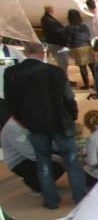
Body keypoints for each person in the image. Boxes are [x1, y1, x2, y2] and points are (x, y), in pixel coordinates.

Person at [2, 41, 87, 209]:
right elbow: (68, 97)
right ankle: (80, 198)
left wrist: (23, 121)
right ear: (43, 53)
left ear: (25, 53)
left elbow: (10, 101)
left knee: (43, 163)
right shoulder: (54, 71)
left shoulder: (11, 73)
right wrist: (72, 116)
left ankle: (51, 201)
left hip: (34, 125)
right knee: (72, 162)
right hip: (60, 122)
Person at [1, 116, 66, 194]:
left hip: (35, 152)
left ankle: (41, 180)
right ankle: (32, 182)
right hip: (19, 161)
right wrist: (56, 158)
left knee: (64, 157)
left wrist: (61, 149)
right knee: (56, 166)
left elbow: (47, 139)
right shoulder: (12, 128)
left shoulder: (32, 118)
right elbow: (30, 153)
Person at [66, 8, 95, 89]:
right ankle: (96, 83)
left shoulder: (69, 28)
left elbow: (68, 39)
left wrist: (69, 47)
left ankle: (86, 84)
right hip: (88, 46)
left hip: (78, 47)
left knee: (82, 67)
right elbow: (88, 35)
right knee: (92, 66)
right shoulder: (84, 26)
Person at [40, 5, 70, 72]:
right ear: (50, 10)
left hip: (53, 43)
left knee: (62, 62)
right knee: (63, 62)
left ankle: (62, 76)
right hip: (57, 44)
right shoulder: (49, 20)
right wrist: (64, 43)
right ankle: (62, 77)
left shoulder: (46, 19)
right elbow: (58, 32)